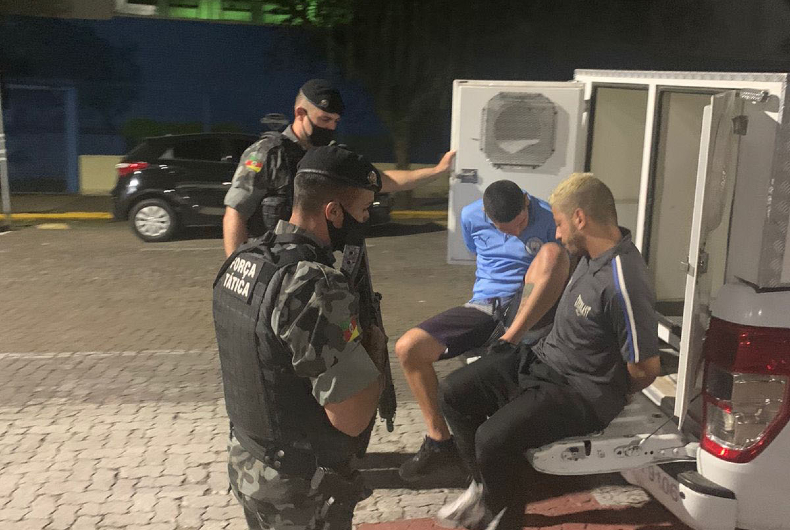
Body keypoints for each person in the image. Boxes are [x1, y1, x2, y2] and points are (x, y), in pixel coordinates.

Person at [435, 173, 661, 530]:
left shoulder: (624, 279)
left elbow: (646, 367)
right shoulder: (588, 255)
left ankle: (502, 514)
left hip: (580, 392)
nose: (556, 232)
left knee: (491, 439)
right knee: (452, 393)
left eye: (558, 222)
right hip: (543, 360)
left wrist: (615, 392)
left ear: (579, 218)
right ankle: (484, 489)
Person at [213, 144, 392, 530]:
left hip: (248, 462)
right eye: (363, 210)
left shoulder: (245, 259)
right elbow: (351, 418)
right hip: (298, 490)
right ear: (333, 212)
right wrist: (375, 349)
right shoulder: (313, 283)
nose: (365, 220)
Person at [395, 179, 571, 482]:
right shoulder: (469, 216)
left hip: (530, 308)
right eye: (505, 229)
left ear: (526, 202)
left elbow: (561, 272)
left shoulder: (549, 217)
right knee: (409, 348)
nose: (515, 233)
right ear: (488, 217)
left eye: (521, 225)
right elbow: (480, 257)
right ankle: (440, 442)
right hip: (484, 307)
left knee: (552, 253)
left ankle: (509, 345)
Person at [223, 78, 456, 257]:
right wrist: (235, 268)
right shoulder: (267, 154)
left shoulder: (330, 157)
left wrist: (438, 171)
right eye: (325, 119)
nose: (331, 127)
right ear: (300, 113)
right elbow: (235, 213)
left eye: (335, 121)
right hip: (269, 266)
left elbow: (384, 181)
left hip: (311, 266)